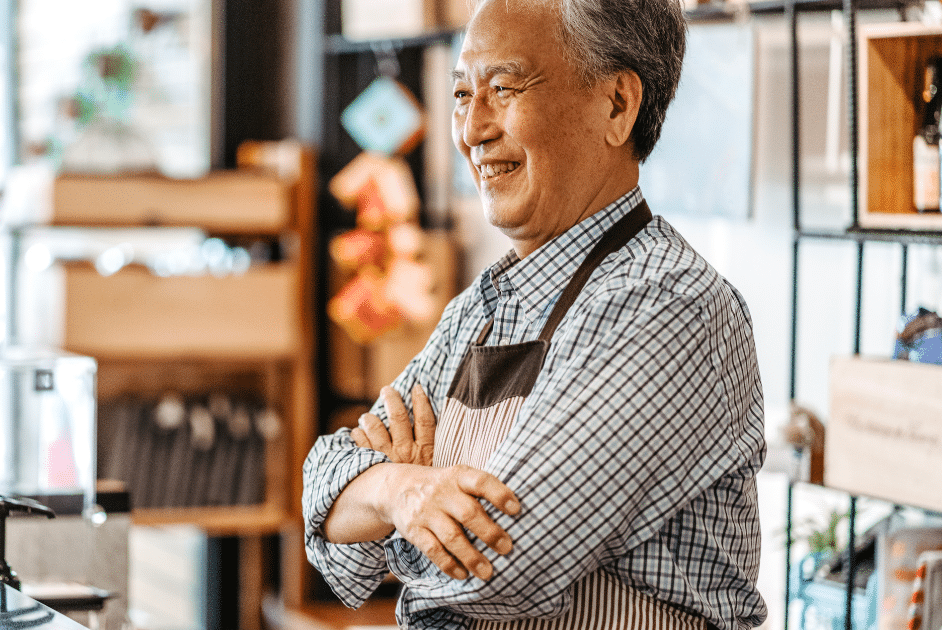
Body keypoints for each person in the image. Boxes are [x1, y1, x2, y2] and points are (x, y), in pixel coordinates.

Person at [301, 0, 768, 628]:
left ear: (617, 106)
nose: (472, 129)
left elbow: (503, 560)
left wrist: (384, 512)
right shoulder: (480, 311)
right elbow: (331, 540)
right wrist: (402, 491)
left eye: (504, 88)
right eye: (464, 94)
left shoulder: (672, 310)